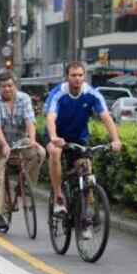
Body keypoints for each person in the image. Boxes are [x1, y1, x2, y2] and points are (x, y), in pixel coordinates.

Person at [45, 62, 123, 230]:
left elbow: (106, 118)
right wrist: (53, 137)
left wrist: (116, 140)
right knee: (55, 152)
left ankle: (84, 220)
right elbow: (51, 117)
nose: (77, 78)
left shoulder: (92, 94)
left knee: (87, 173)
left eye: (80, 75)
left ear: (84, 77)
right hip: (57, 135)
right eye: (73, 75)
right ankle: (59, 198)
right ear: (67, 77)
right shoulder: (58, 93)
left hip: (79, 137)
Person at [0, 72, 46, 232]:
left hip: (18, 139)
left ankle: (23, 187)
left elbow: (30, 121)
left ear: (15, 86)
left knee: (40, 152)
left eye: (10, 86)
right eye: (3, 86)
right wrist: (4, 145)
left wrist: (32, 140)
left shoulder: (24, 98)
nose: (7, 89)